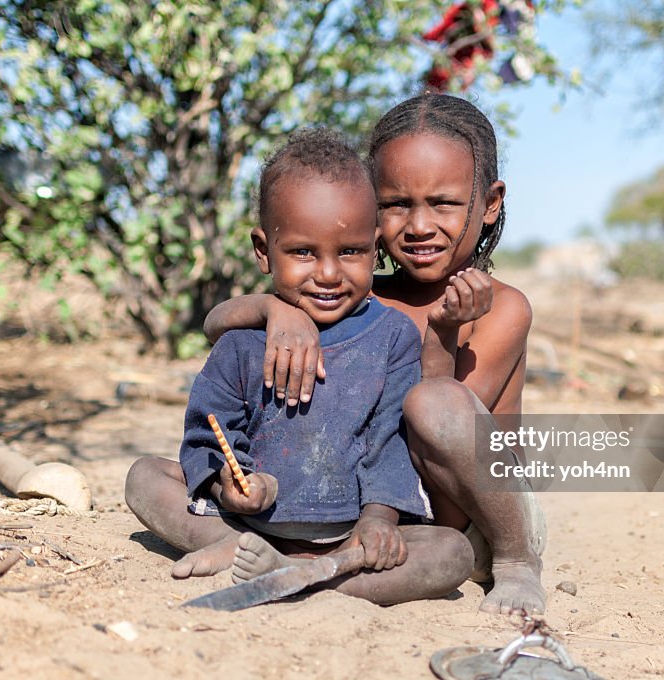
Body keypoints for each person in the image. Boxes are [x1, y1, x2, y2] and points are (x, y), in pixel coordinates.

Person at [203, 93, 546, 615]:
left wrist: (443, 333)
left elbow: (428, 437)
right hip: (372, 515)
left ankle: (519, 565)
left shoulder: (503, 310)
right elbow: (214, 326)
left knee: (430, 403)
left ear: (491, 202)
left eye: (444, 202)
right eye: (395, 204)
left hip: (475, 517)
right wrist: (275, 310)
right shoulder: (353, 295)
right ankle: (305, 567)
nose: (419, 225)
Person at [125, 128, 473, 606]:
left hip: (349, 532)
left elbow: (390, 440)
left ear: (375, 249)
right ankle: (243, 548)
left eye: (350, 252)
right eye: (303, 252)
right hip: (249, 521)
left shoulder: (393, 337)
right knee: (145, 477)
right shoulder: (243, 342)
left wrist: (378, 519)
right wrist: (231, 483)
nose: (329, 274)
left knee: (452, 554)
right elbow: (211, 427)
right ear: (264, 250)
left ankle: (301, 572)